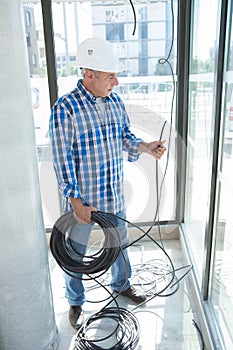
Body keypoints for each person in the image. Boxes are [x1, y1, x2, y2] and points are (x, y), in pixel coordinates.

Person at [49, 37, 166, 329]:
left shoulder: (115, 102)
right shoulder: (66, 108)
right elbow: (61, 159)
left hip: (113, 195)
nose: (115, 82)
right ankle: (75, 302)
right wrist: (76, 202)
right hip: (84, 202)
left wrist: (145, 147)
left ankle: (122, 284)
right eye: (110, 76)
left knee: (119, 245)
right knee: (76, 254)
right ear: (90, 75)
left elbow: (124, 138)